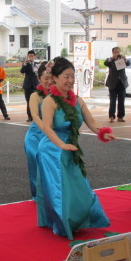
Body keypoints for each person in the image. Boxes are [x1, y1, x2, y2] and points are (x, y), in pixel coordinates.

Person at [38, 57, 115, 239]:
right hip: (52, 150)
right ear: (55, 78)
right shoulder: (50, 101)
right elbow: (47, 127)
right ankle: (62, 223)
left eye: (73, 76)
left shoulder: (78, 100)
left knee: (79, 186)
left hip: (71, 147)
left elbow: (92, 122)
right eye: (66, 76)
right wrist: (61, 144)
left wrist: (103, 132)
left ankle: (78, 220)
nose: (71, 80)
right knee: (60, 189)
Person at [24, 61, 52, 217]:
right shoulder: (35, 96)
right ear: (39, 79)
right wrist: (47, 131)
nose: (49, 82)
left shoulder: (58, 96)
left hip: (52, 135)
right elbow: (35, 115)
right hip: (36, 136)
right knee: (36, 167)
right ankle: (38, 197)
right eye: (45, 78)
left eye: (51, 78)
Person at [104, 47, 130, 123]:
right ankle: (111, 116)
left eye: (118, 52)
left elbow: (128, 63)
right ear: (112, 53)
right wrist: (112, 58)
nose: (117, 54)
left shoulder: (122, 59)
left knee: (122, 100)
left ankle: (121, 116)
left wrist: (125, 59)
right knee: (112, 100)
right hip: (112, 83)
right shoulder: (110, 60)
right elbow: (106, 63)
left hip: (122, 82)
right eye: (115, 52)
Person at [21, 50, 39, 122]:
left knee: (36, 101)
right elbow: (22, 71)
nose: (31, 57)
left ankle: (37, 116)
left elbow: (40, 73)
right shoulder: (25, 64)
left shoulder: (37, 64)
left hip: (36, 85)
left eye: (32, 56)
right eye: (29, 56)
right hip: (27, 85)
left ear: (34, 56)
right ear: (27, 56)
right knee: (29, 101)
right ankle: (29, 116)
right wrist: (25, 63)